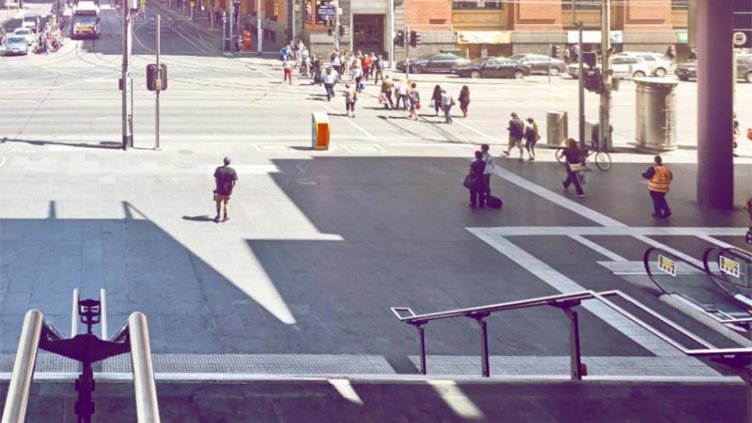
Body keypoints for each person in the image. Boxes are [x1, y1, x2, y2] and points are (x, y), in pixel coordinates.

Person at [213, 156, 238, 223]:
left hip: (219, 190)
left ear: (223, 161)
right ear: (229, 162)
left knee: (218, 202)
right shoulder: (232, 171)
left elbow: (216, 179)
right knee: (226, 203)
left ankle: (218, 216)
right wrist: (231, 188)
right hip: (227, 191)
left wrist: (217, 187)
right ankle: (225, 217)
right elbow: (235, 182)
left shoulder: (218, 169)